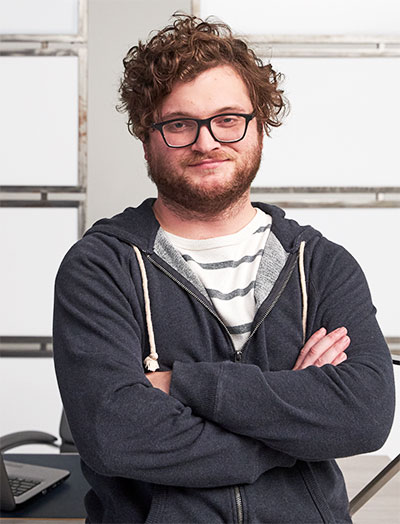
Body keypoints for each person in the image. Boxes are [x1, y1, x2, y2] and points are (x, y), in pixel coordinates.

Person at [53, 14, 395, 524]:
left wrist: (181, 384)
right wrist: (291, 432)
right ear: (147, 136)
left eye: (228, 118)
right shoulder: (101, 268)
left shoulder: (321, 265)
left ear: (260, 126)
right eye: (179, 123)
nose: (207, 141)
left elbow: (363, 417)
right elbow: (114, 436)